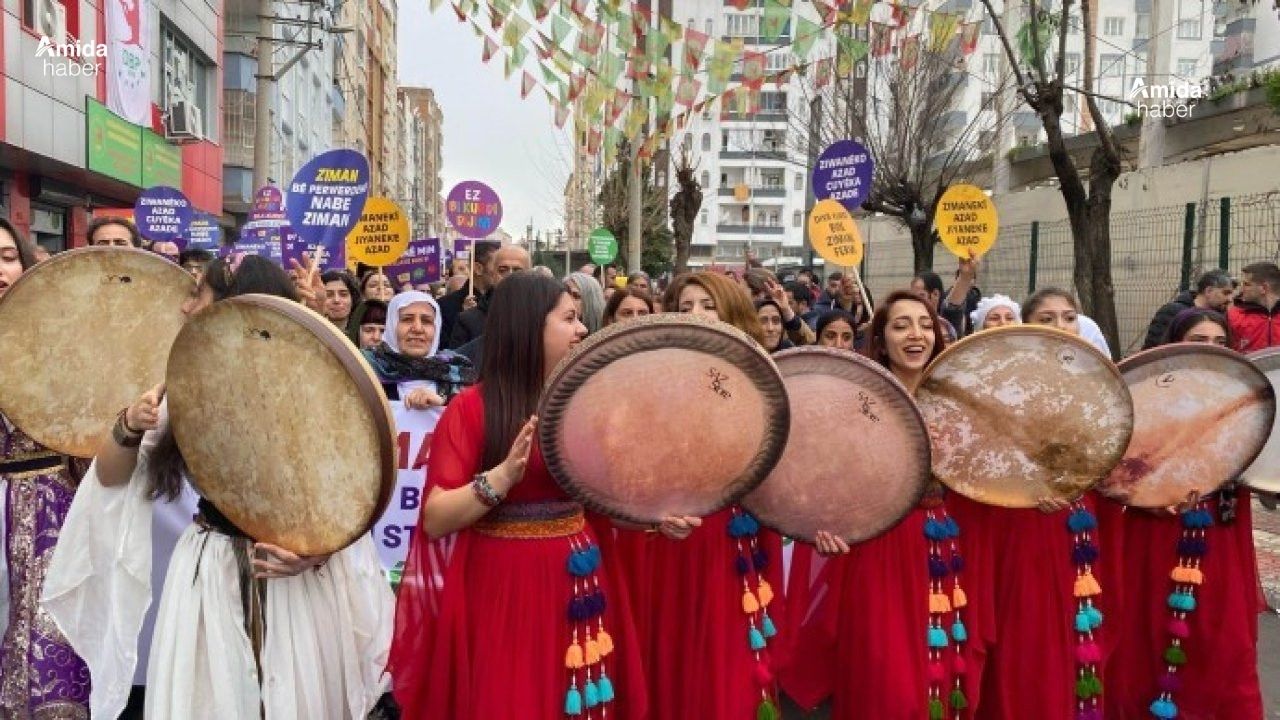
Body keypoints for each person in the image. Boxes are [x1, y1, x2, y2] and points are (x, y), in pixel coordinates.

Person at [42, 254, 394, 719]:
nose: (185, 308)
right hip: (212, 574)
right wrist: (127, 424)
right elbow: (109, 477)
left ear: (230, 303)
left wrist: (318, 552)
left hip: (293, 579)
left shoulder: (311, 382)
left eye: (197, 294)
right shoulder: (183, 380)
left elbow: (349, 493)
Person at [388, 272, 655, 719]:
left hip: (579, 578)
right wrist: (500, 479)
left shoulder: (585, 405)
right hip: (502, 586)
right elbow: (435, 517)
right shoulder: (471, 409)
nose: (582, 329)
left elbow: (604, 504)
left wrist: (656, 517)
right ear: (531, 327)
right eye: (569, 319)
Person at [783, 290, 982, 719]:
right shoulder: (855, 404)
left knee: (938, 676)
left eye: (926, 325)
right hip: (876, 553)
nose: (916, 334)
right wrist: (828, 524)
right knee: (886, 686)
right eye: (902, 325)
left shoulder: (957, 405)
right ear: (881, 338)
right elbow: (824, 480)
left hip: (940, 551)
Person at [620, 271, 786, 720]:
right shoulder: (643, 386)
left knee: (731, 669)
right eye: (686, 306)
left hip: (735, 543)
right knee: (670, 661)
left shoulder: (765, 384)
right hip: (670, 544)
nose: (695, 315)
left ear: (732, 315)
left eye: (708, 306)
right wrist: (655, 514)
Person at [958, 285, 1115, 720]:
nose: (1061, 326)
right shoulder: (999, 388)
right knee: (1025, 644)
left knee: (1078, 637)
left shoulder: (1101, 388)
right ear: (1027, 328)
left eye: (1068, 316)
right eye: (1046, 319)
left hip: (1079, 528)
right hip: (1017, 530)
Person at [1104, 307, 1265, 719]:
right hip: (1153, 539)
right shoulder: (1141, 403)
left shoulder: (1247, 406)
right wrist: (1152, 495)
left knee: (1223, 645)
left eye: (1219, 343)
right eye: (1199, 340)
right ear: (1175, 346)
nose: (1211, 350)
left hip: (1222, 544)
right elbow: (1115, 477)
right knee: (1149, 641)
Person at [0, 218, 92, 719]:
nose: (0, 268)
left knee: (51, 652)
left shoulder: (59, 339)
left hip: (52, 511)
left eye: (9, 256)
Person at [362, 291, 476, 405]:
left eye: (426, 321)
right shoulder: (365, 369)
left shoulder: (458, 370)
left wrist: (444, 403)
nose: (417, 329)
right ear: (392, 325)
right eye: (407, 319)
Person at [448, 245, 531, 350]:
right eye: (502, 270)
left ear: (529, 274)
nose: (510, 276)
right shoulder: (468, 321)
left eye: (517, 270)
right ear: (493, 274)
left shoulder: (545, 316)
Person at [1140, 270, 1234, 349]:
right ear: (1208, 291)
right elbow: (1154, 348)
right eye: (1226, 293)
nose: (1230, 299)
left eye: (1220, 342)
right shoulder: (1172, 311)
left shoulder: (1221, 316)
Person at [438, 241, 501, 347]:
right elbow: (446, 353)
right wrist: (466, 318)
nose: (501, 272)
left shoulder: (504, 303)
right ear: (478, 268)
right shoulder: (445, 305)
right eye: (497, 266)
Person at [1228, 261, 1280, 352]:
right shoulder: (1233, 316)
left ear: (1264, 288)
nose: (1241, 289)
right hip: (1245, 366)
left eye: (1247, 284)